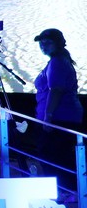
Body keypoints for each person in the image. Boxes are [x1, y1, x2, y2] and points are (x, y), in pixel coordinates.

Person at [34, 28, 84, 195]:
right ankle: (66, 192)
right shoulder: (58, 61)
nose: (43, 46)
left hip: (59, 118)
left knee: (53, 156)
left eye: (48, 43)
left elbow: (56, 90)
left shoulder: (58, 62)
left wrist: (48, 117)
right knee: (57, 156)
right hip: (62, 117)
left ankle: (63, 193)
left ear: (59, 43)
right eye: (41, 43)